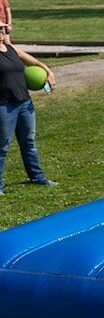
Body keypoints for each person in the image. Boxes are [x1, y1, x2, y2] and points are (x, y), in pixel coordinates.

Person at [0, 23, 58, 194]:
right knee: (3, 145)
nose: (1, 33)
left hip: (24, 103)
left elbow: (35, 62)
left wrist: (50, 73)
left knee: (29, 142)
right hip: (4, 105)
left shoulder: (11, 49)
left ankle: (38, 177)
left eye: (2, 30)